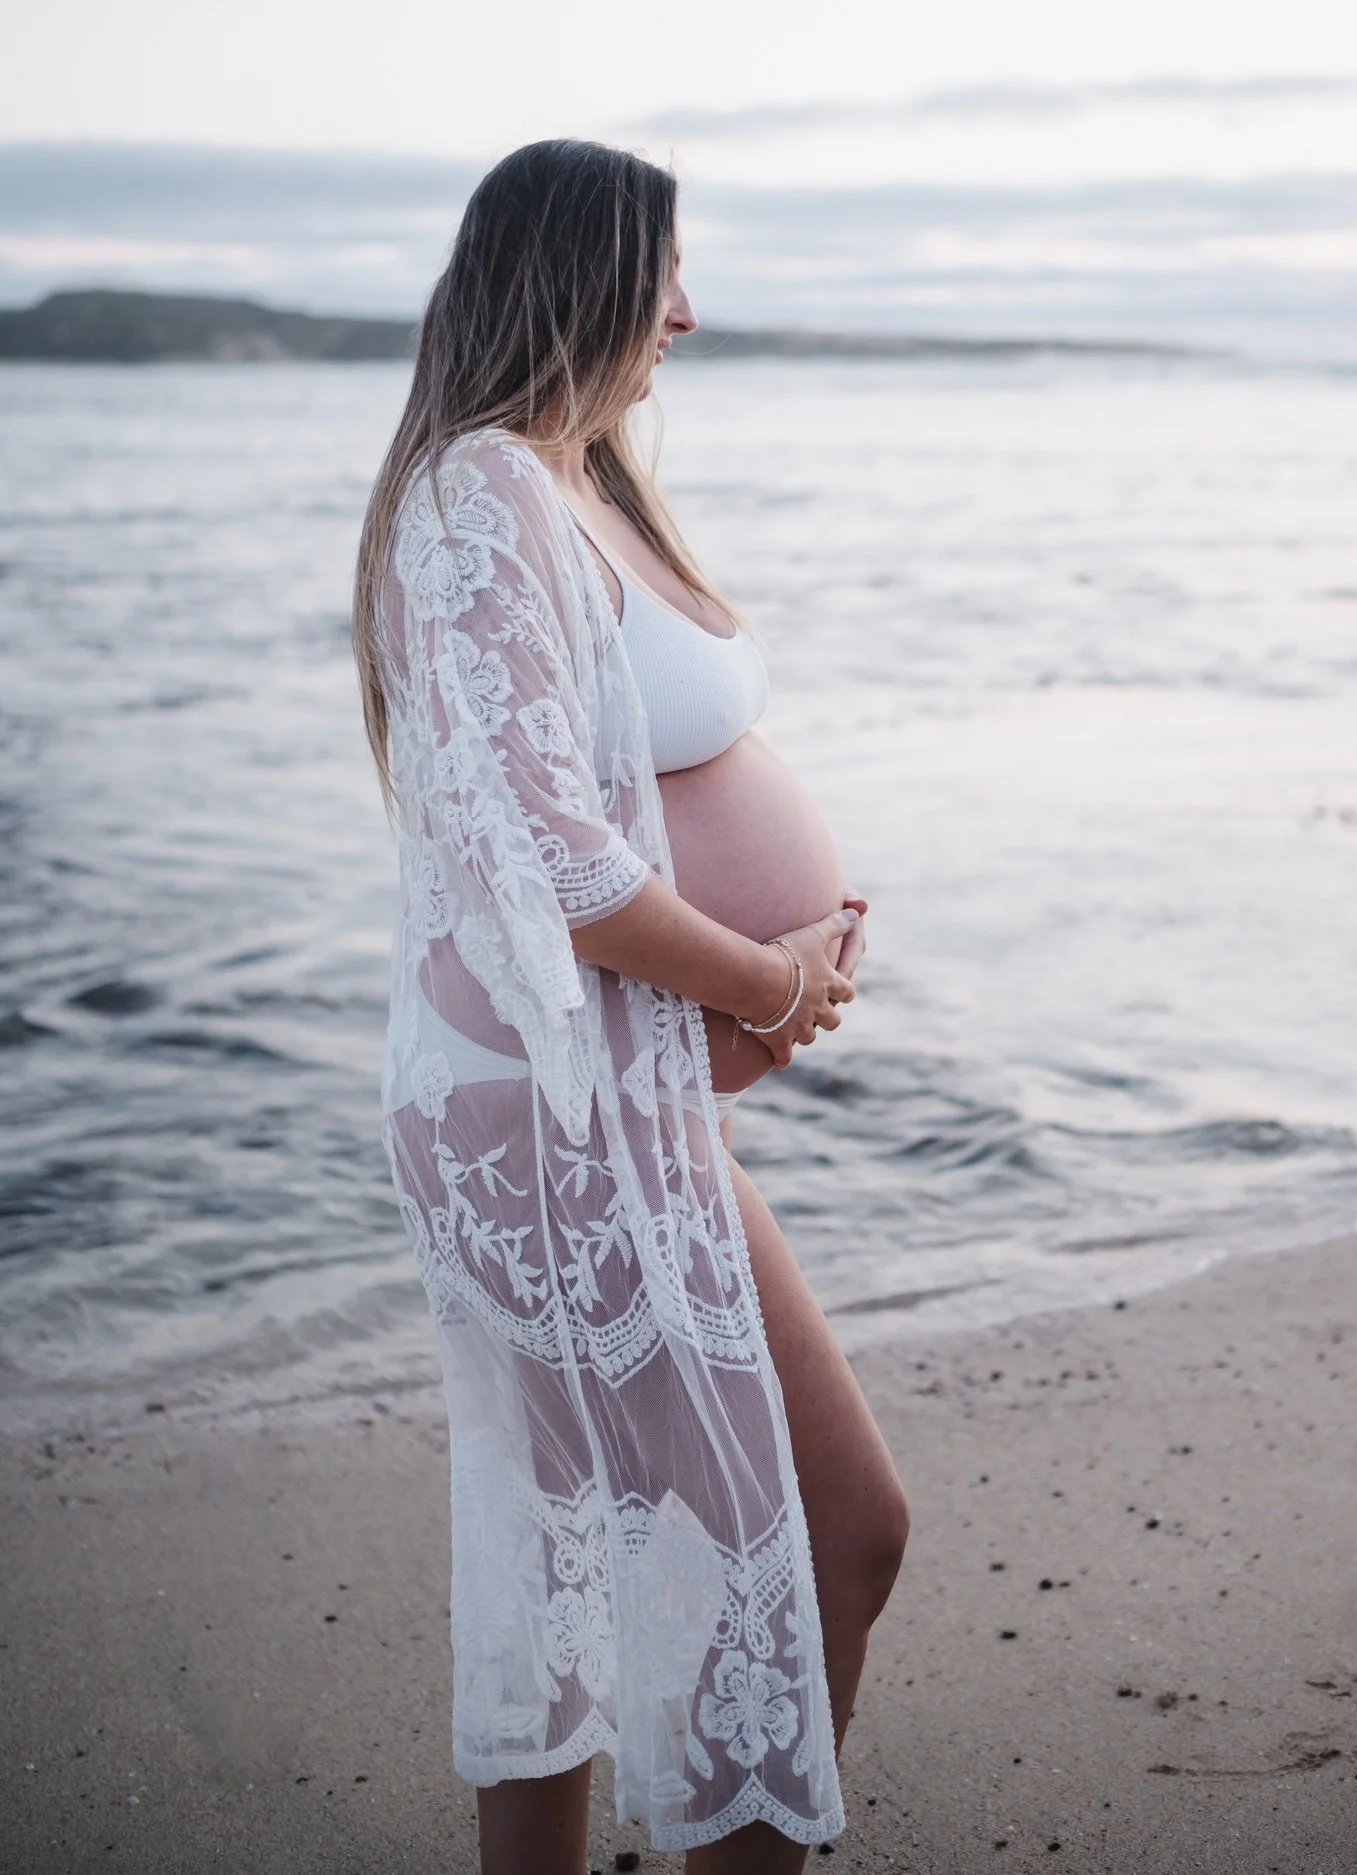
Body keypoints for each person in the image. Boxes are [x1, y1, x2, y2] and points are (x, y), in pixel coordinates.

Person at [352, 139, 908, 1873]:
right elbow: (553, 856)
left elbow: (621, 810)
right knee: (818, 1530)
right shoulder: (477, 496)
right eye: (663, 268)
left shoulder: (574, 481)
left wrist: (766, 984)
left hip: (621, 1099)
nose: (687, 308)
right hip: (551, 1121)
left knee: (599, 1555)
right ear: (578, 269)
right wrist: (767, 979)